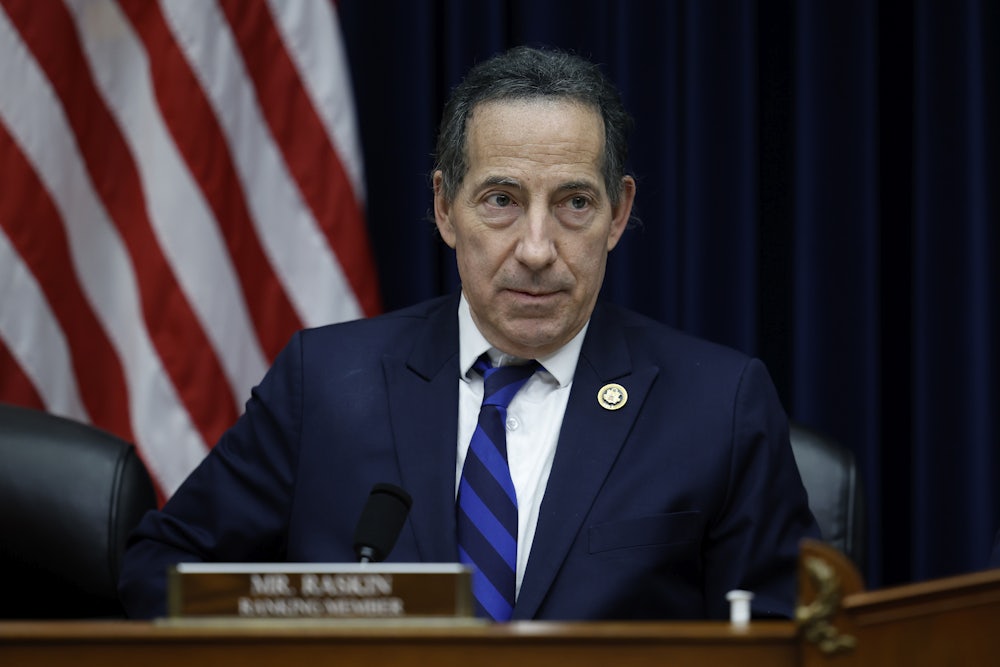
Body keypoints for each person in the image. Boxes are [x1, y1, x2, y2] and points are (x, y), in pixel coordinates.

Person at [118, 45, 820, 621]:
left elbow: (793, 632)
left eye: (574, 202)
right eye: (501, 200)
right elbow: (162, 571)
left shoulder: (718, 406)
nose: (537, 249)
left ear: (617, 213)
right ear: (445, 208)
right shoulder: (325, 384)